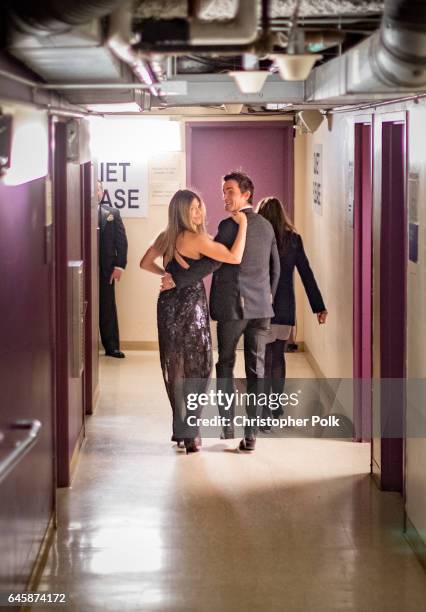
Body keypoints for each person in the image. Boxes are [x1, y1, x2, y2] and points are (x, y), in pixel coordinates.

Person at [161, 172, 280, 452]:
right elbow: (276, 266)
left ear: (246, 194)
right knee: (256, 370)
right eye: (223, 191)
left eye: (229, 191)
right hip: (262, 308)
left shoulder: (230, 226)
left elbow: (214, 264)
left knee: (225, 364)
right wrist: (268, 296)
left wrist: (179, 279)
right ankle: (251, 436)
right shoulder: (266, 226)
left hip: (232, 308)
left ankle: (228, 426)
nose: (224, 197)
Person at [139, 189, 247, 454]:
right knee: (199, 367)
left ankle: (182, 431)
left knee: (175, 367)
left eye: (200, 207)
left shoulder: (165, 237)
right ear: (181, 212)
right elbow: (234, 257)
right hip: (191, 306)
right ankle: (192, 433)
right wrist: (243, 225)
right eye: (193, 209)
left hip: (166, 306)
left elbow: (144, 263)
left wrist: (165, 273)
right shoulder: (197, 239)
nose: (200, 213)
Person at [256, 196, 327, 429]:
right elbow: (306, 274)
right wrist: (319, 307)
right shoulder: (294, 241)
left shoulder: (256, 238)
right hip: (285, 309)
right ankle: (275, 406)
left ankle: (263, 413)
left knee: (263, 361)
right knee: (278, 358)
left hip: (260, 308)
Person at [97, 180, 128, 358]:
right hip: (82, 271)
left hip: (106, 270)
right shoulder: (77, 211)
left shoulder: (113, 213)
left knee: (107, 308)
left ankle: (111, 347)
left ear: (103, 192)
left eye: (99, 188)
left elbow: (121, 242)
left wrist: (119, 266)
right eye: (93, 188)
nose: (96, 191)